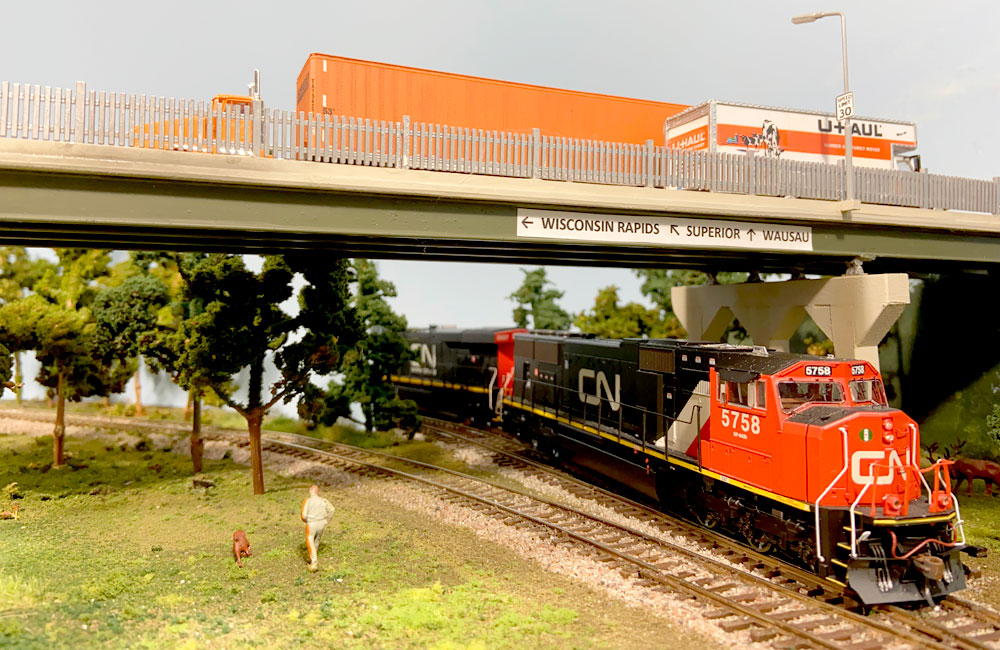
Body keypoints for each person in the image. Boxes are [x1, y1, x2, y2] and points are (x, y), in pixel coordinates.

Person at [300, 484, 335, 571]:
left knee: (310, 539)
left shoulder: (308, 501)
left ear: (310, 491)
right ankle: (312, 554)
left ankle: (314, 560)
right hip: (322, 523)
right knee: (317, 539)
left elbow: (303, 515)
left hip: (312, 523)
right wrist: (327, 520)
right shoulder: (323, 501)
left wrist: (307, 520)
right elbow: (332, 509)